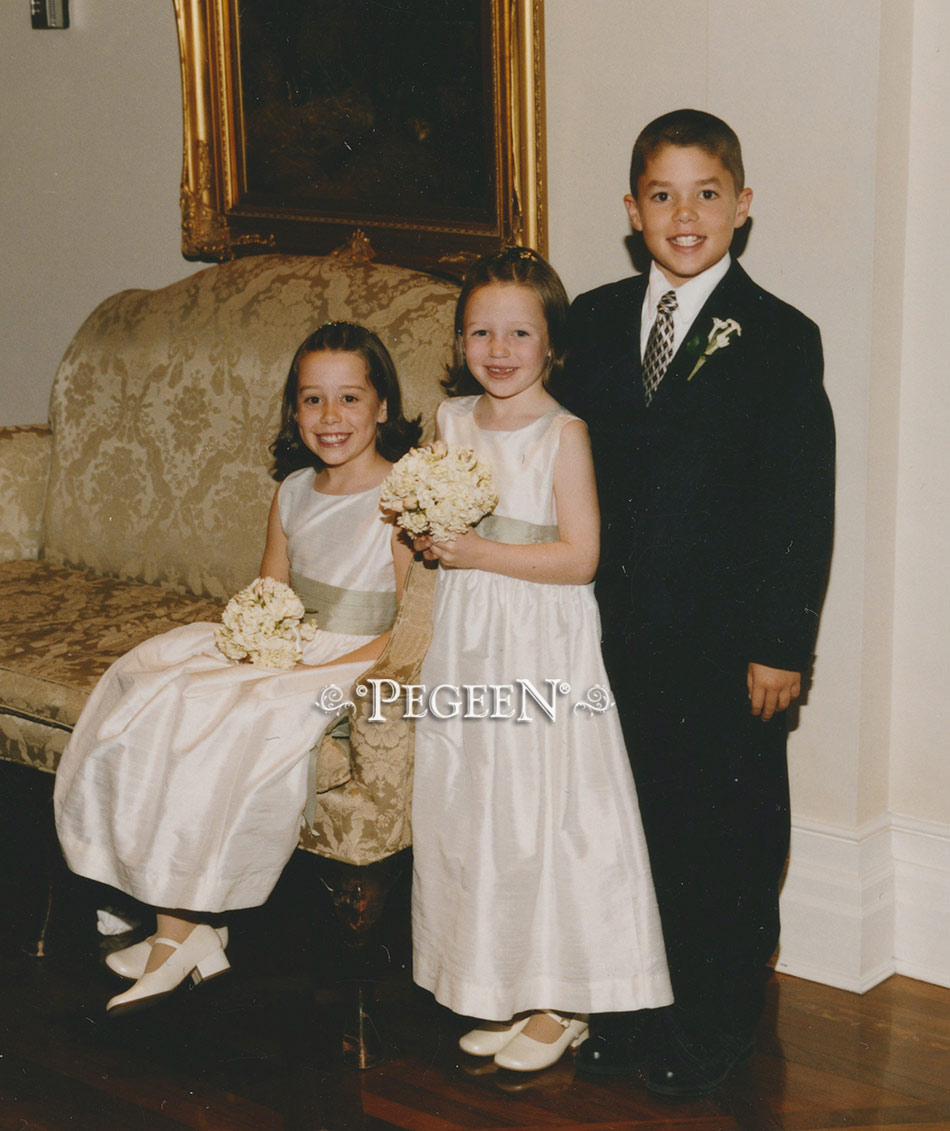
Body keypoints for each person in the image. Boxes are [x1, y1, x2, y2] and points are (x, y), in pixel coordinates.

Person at [559, 109, 835, 1097]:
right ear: (631, 212)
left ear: (741, 206)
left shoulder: (777, 338)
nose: (684, 215)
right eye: (662, 196)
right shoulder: (587, 320)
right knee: (623, 832)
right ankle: (630, 1013)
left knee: (721, 839)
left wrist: (778, 641)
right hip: (604, 641)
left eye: (705, 193)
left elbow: (799, 501)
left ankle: (714, 1027)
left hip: (723, 654)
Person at [54, 321, 419, 1014]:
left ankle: (184, 929)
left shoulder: (401, 496)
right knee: (158, 683)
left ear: (382, 407)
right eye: (313, 400)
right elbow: (268, 594)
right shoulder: (292, 491)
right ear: (294, 411)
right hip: (288, 643)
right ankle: (179, 923)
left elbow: (410, 626)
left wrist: (312, 665)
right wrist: (258, 641)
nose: (331, 417)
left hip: (355, 656)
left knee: (243, 715)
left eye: (349, 398)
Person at [411, 247, 672, 1075]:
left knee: (543, 806)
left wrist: (480, 551)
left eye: (518, 332)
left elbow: (581, 556)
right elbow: (426, 530)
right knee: (479, 804)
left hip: (539, 642)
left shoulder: (563, 433)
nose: (498, 348)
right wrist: (429, 537)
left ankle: (565, 997)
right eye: (480, 331)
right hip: (467, 638)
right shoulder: (449, 424)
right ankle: (508, 979)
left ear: (549, 343)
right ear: (458, 342)